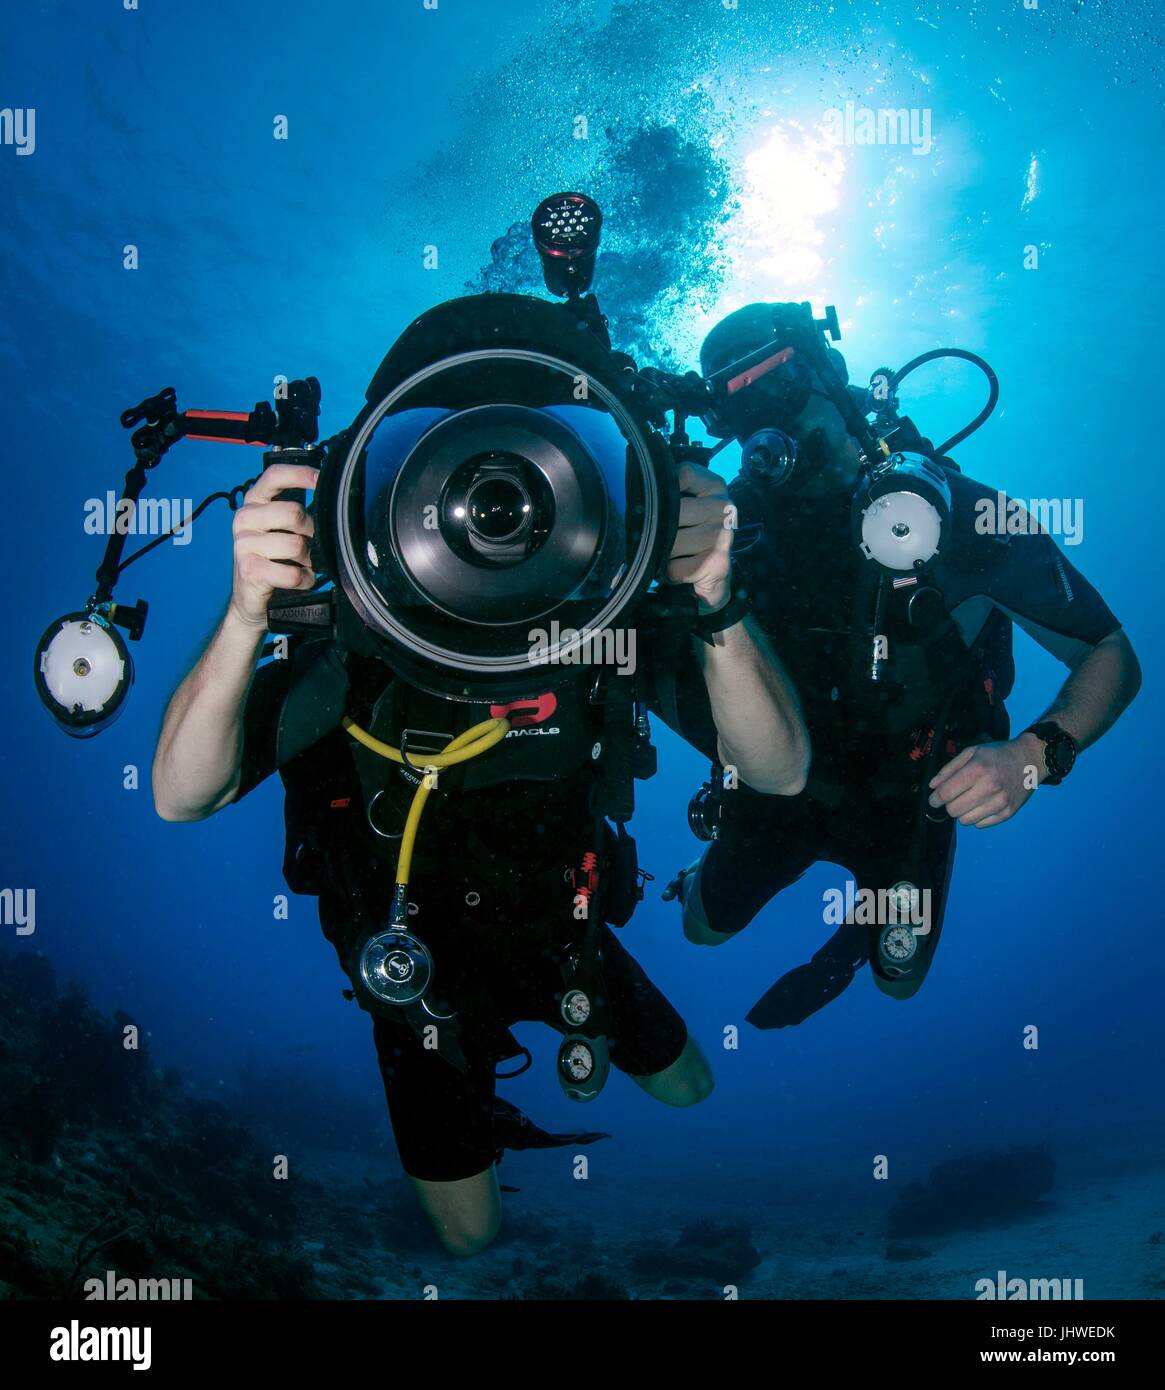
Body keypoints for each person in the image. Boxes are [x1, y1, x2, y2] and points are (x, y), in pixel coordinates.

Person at [151, 440, 809, 1257]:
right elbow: (181, 795)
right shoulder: (352, 631)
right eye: (463, 489)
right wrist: (250, 613)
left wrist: (714, 596)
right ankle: (484, 1105)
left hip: (563, 944)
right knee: (470, 1235)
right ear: (399, 505)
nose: (490, 515)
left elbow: (779, 772)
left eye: (516, 491)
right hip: (412, 979)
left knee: (690, 1088)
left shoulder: (593, 621)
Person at [662, 302, 1141, 1028]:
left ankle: (858, 941)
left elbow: (1109, 652)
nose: (770, 423)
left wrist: (1031, 757)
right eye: (739, 409)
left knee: (898, 979)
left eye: (778, 383)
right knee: (699, 929)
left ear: (828, 370)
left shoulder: (962, 517)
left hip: (911, 795)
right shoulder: (727, 538)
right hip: (774, 789)